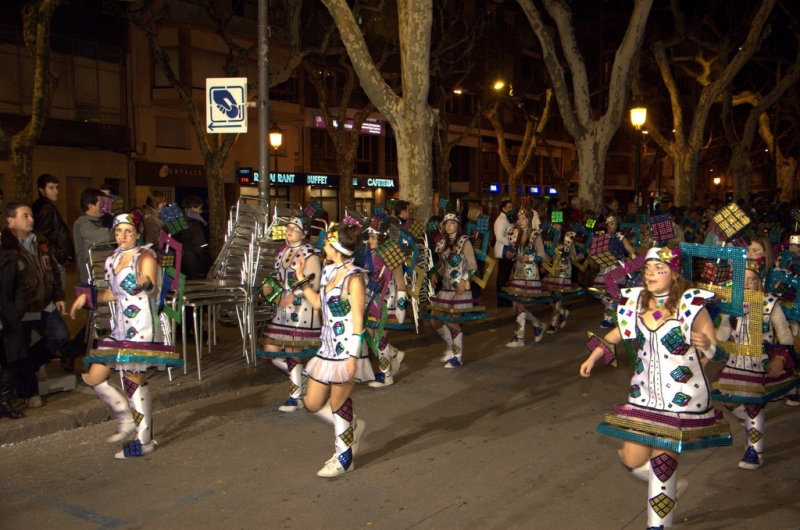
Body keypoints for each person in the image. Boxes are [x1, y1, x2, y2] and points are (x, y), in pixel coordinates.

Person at [580, 247, 732, 530]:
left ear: (674, 274)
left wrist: (708, 346)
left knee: (663, 461)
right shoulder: (636, 302)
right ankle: (671, 487)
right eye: (647, 269)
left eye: (657, 269)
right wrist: (593, 356)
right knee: (631, 458)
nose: (649, 274)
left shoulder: (691, 305)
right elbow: (617, 333)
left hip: (681, 398)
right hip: (644, 396)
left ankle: (658, 524)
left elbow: (718, 352)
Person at [70, 213, 182, 458]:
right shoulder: (114, 259)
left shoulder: (145, 256)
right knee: (94, 376)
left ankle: (144, 440)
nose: (122, 236)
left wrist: (149, 285)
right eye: (118, 231)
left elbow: (152, 290)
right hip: (120, 327)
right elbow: (112, 294)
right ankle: (126, 416)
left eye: (128, 231)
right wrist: (86, 299)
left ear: (137, 233)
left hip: (142, 327)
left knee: (133, 381)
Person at [293, 220, 372, 477]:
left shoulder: (355, 278)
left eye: (326, 242)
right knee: (312, 403)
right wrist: (301, 280)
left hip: (347, 350)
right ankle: (352, 427)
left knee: (339, 404)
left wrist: (352, 356)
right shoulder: (327, 272)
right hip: (326, 349)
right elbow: (317, 302)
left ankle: (344, 456)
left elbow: (359, 320)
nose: (322, 245)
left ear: (337, 247)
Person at [713, 260, 797, 469]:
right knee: (729, 401)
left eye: (753, 281)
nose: (749, 285)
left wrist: (780, 359)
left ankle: (755, 450)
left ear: (760, 282)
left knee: (752, 404)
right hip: (734, 363)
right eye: (745, 281)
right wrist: (708, 342)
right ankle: (754, 425)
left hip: (759, 363)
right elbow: (722, 333)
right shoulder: (732, 304)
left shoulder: (770, 303)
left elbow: (785, 334)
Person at [2, 202, 69, 409]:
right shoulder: (6, 246)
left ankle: (30, 365)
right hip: (20, 309)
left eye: (31, 215)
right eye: (25, 216)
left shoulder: (40, 240)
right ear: (10, 220)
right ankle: (28, 392)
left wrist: (59, 295)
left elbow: (54, 270)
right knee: (19, 351)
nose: (30, 219)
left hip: (45, 303)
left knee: (60, 336)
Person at [258, 215, 322, 412]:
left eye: (295, 228)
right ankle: (300, 376)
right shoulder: (283, 252)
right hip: (283, 309)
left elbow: (313, 283)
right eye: (289, 227)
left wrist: (294, 294)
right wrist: (270, 288)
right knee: (270, 350)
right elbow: (279, 278)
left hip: (301, 309)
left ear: (303, 233)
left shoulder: (310, 254)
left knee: (293, 352)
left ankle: (295, 396)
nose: (290, 230)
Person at [63, 188, 113, 372]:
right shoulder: (82, 223)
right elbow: (103, 236)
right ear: (90, 205)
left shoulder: (100, 221)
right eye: (101, 202)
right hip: (90, 281)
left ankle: (83, 355)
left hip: (101, 279)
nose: (105, 205)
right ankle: (72, 352)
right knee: (96, 321)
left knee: (99, 321)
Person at [427, 213, 482, 367]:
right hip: (445, 288)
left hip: (460, 289)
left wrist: (463, 281)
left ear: (458, 225)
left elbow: (472, 266)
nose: (449, 225)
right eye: (447, 223)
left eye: (453, 223)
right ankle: (451, 346)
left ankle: (457, 356)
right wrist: (434, 273)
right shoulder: (443, 243)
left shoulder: (465, 242)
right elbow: (443, 265)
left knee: (453, 321)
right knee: (435, 320)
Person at [364, 217, 406, 387]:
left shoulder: (392, 252)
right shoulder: (367, 253)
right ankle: (394, 354)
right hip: (371, 299)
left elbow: (400, 280)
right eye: (370, 236)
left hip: (388, 300)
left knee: (380, 336)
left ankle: (386, 375)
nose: (371, 240)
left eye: (374, 237)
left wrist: (401, 304)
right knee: (370, 335)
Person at [503, 205, 549, 347]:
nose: (521, 220)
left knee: (520, 303)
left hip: (530, 272)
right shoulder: (514, 234)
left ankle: (519, 337)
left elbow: (543, 256)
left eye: (524, 218)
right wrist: (511, 255)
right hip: (518, 272)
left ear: (529, 219)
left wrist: (528, 259)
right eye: (519, 218)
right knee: (516, 304)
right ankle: (538, 325)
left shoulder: (535, 235)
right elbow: (516, 255)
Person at [592, 215, 636, 328]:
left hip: (617, 267)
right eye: (611, 224)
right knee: (603, 293)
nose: (614, 226)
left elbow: (630, 249)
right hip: (605, 267)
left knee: (611, 293)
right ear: (607, 225)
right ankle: (616, 313)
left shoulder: (620, 236)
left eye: (615, 223)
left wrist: (634, 258)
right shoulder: (602, 236)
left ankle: (608, 319)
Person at [32, 174, 74, 288]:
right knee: (58, 294)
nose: (55, 191)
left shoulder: (44, 206)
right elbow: (42, 235)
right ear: (41, 190)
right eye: (51, 188)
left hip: (53, 257)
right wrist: (59, 254)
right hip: (53, 259)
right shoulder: (46, 207)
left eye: (57, 187)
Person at [0, 246, 26, 419]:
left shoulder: (9, 257)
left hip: (9, 317)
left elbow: (19, 287)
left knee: (10, 361)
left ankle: (4, 402)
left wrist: (17, 311)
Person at [174, 195, 212, 280]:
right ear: (192, 208)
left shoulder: (177, 222)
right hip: (195, 266)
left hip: (179, 265)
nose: (200, 212)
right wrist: (208, 263)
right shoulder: (195, 225)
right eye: (199, 208)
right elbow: (200, 247)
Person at [494, 200, 515, 307]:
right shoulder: (501, 220)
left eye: (512, 207)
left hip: (508, 251)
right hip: (504, 252)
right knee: (502, 277)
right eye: (509, 207)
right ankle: (501, 300)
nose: (511, 209)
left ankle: (504, 298)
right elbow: (500, 237)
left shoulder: (507, 219)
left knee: (505, 276)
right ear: (503, 208)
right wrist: (512, 242)